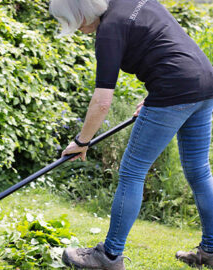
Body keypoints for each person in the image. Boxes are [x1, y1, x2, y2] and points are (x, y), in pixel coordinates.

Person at [49, 0, 213, 269]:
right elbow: (165, 45)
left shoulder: (108, 31)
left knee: (132, 172)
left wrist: (82, 141)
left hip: (174, 90)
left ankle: (109, 256)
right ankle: (211, 250)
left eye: (70, 21)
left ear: (80, 14)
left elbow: (102, 101)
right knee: (199, 170)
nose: (74, 28)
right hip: (205, 82)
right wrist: (154, 93)